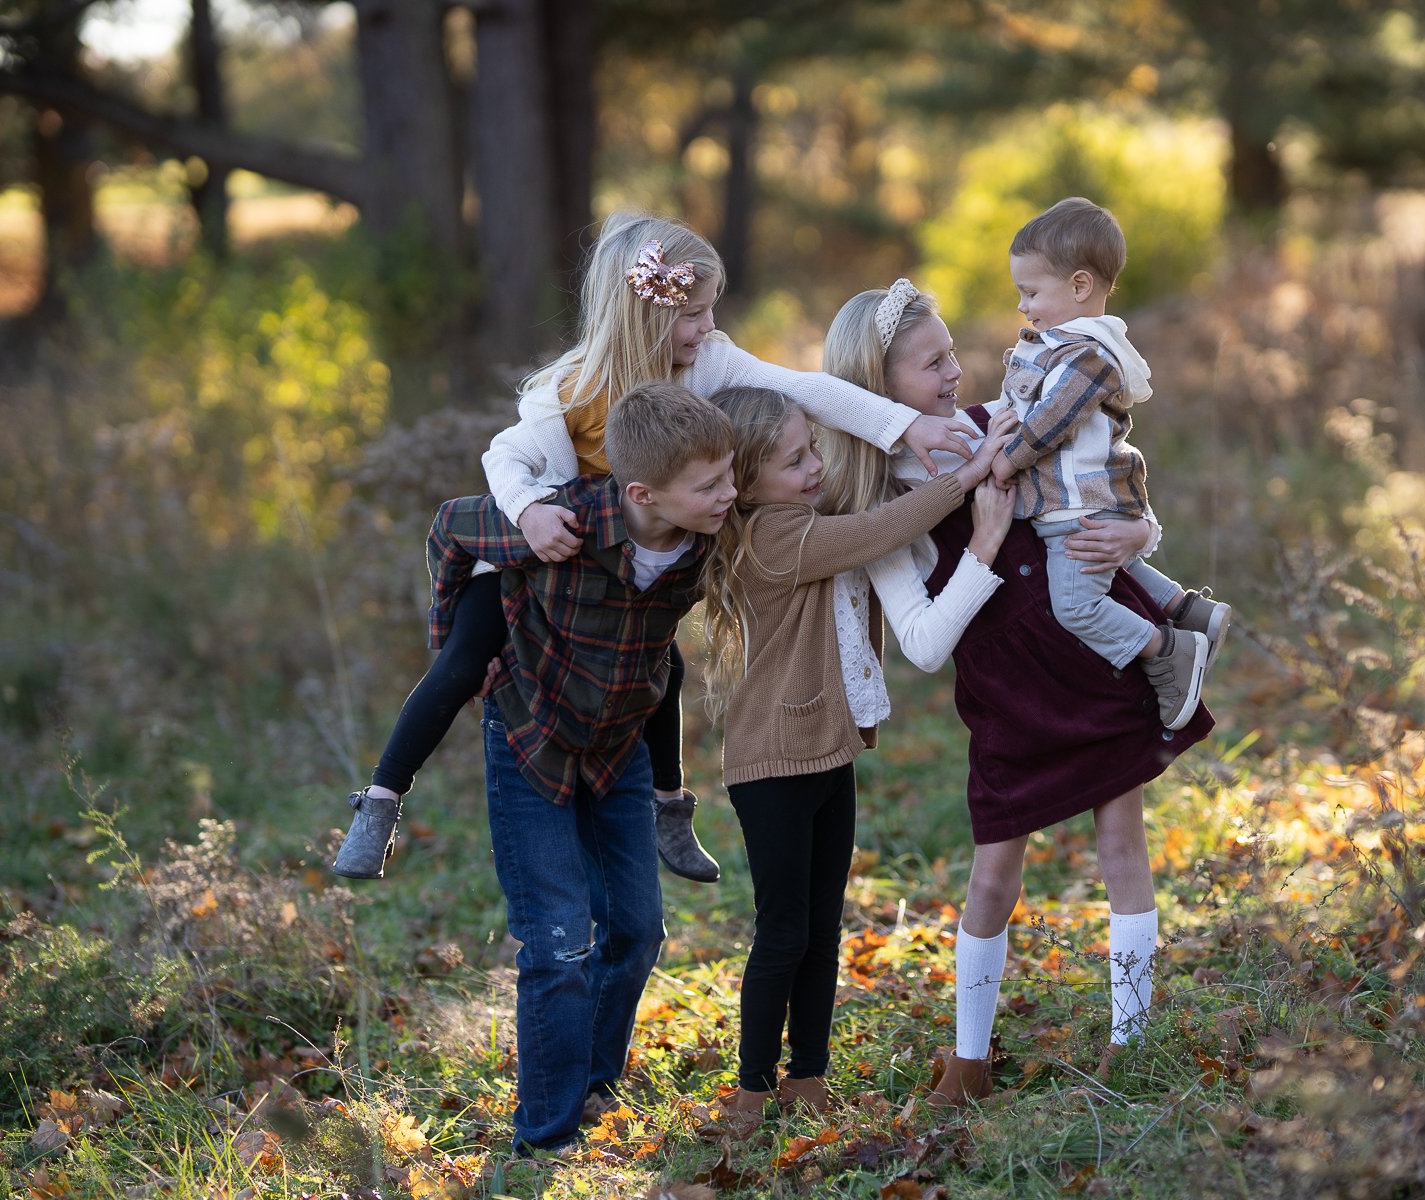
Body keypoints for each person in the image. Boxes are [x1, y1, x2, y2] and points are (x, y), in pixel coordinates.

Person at [331, 212, 976, 882]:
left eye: (710, 310)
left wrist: (904, 430)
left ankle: (670, 805)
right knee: (467, 655)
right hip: (544, 554)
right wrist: (529, 513)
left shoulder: (707, 361)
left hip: (629, 570)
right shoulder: (572, 391)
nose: (707, 327)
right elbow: (504, 456)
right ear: (643, 316)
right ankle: (382, 797)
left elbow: (802, 388)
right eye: (693, 313)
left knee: (662, 671)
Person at [816, 280, 1217, 1110]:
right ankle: (969, 1061)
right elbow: (924, 645)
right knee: (994, 875)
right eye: (932, 364)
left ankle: (1130, 1043)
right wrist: (986, 544)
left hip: (1087, 654)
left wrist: (1145, 532)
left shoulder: (994, 423)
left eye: (953, 352)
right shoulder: (878, 503)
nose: (955, 373)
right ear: (878, 387)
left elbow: (1097, 474)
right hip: (1005, 691)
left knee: (1122, 848)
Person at [423, 382, 736, 1156]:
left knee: (636, 929)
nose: (731, 493)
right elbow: (451, 529)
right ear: (642, 492)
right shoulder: (563, 521)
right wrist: (465, 652)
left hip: (618, 745)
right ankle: (546, 1132)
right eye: (712, 484)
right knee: (557, 940)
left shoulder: (704, 537)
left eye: (731, 476)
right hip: (530, 739)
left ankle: (592, 1080)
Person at [696, 385, 1014, 1136]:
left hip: (825, 751)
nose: (813, 469)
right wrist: (961, 481)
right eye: (794, 461)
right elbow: (880, 528)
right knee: (782, 931)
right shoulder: (770, 538)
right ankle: (750, 1089)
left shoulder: (805, 512)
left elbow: (866, 479)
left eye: (812, 451)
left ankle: (809, 1077)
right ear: (745, 480)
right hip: (771, 764)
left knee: (823, 924)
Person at [989, 197, 1233, 731]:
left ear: (1079, 287)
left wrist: (1005, 461)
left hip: (1081, 505)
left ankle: (1169, 650)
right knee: (1114, 566)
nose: (1022, 306)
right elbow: (1017, 404)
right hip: (1084, 508)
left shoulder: (1088, 356)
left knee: (1076, 607)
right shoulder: (1060, 346)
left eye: (1031, 293)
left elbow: (1050, 421)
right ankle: (1190, 613)